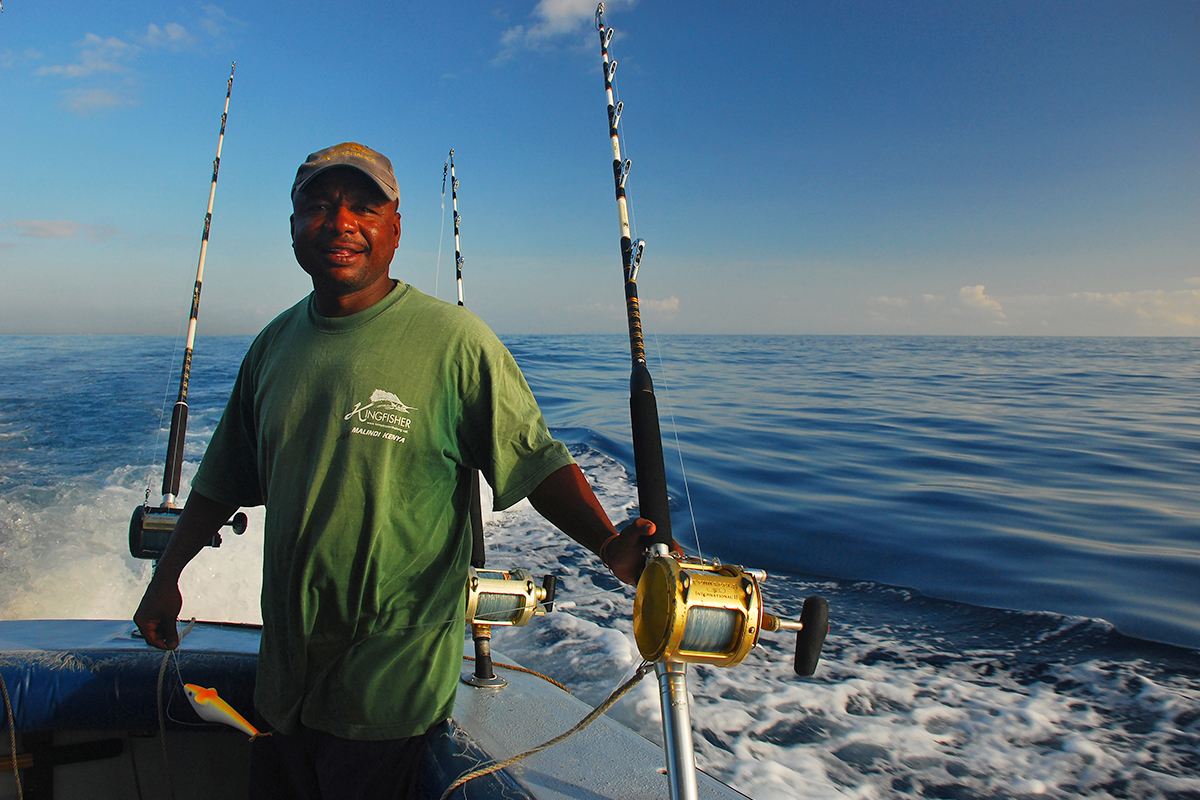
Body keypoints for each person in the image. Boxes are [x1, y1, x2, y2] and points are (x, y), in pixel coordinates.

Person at [133, 142, 665, 799]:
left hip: (389, 689)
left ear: (395, 228)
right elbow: (221, 479)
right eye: (319, 207)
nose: (340, 222)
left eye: (364, 206)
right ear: (293, 225)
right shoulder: (272, 345)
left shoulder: (455, 342)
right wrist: (167, 575)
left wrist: (610, 544)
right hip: (284, 683)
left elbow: (536, 460)